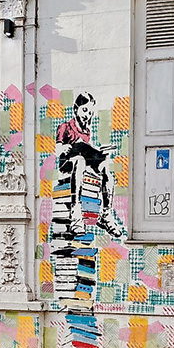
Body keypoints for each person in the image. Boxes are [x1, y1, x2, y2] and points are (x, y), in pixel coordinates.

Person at [55, 92, 121, 239]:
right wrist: (65, 147)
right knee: (80, 160)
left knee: (106, 164)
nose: (87, 115)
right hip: (68, 163)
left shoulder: (86, 132)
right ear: (76, 109)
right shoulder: (65, 126)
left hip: (83, 162)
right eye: (85, 110)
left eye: (90, 112)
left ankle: (106, 214)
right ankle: (76, 213)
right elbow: (57, 149)